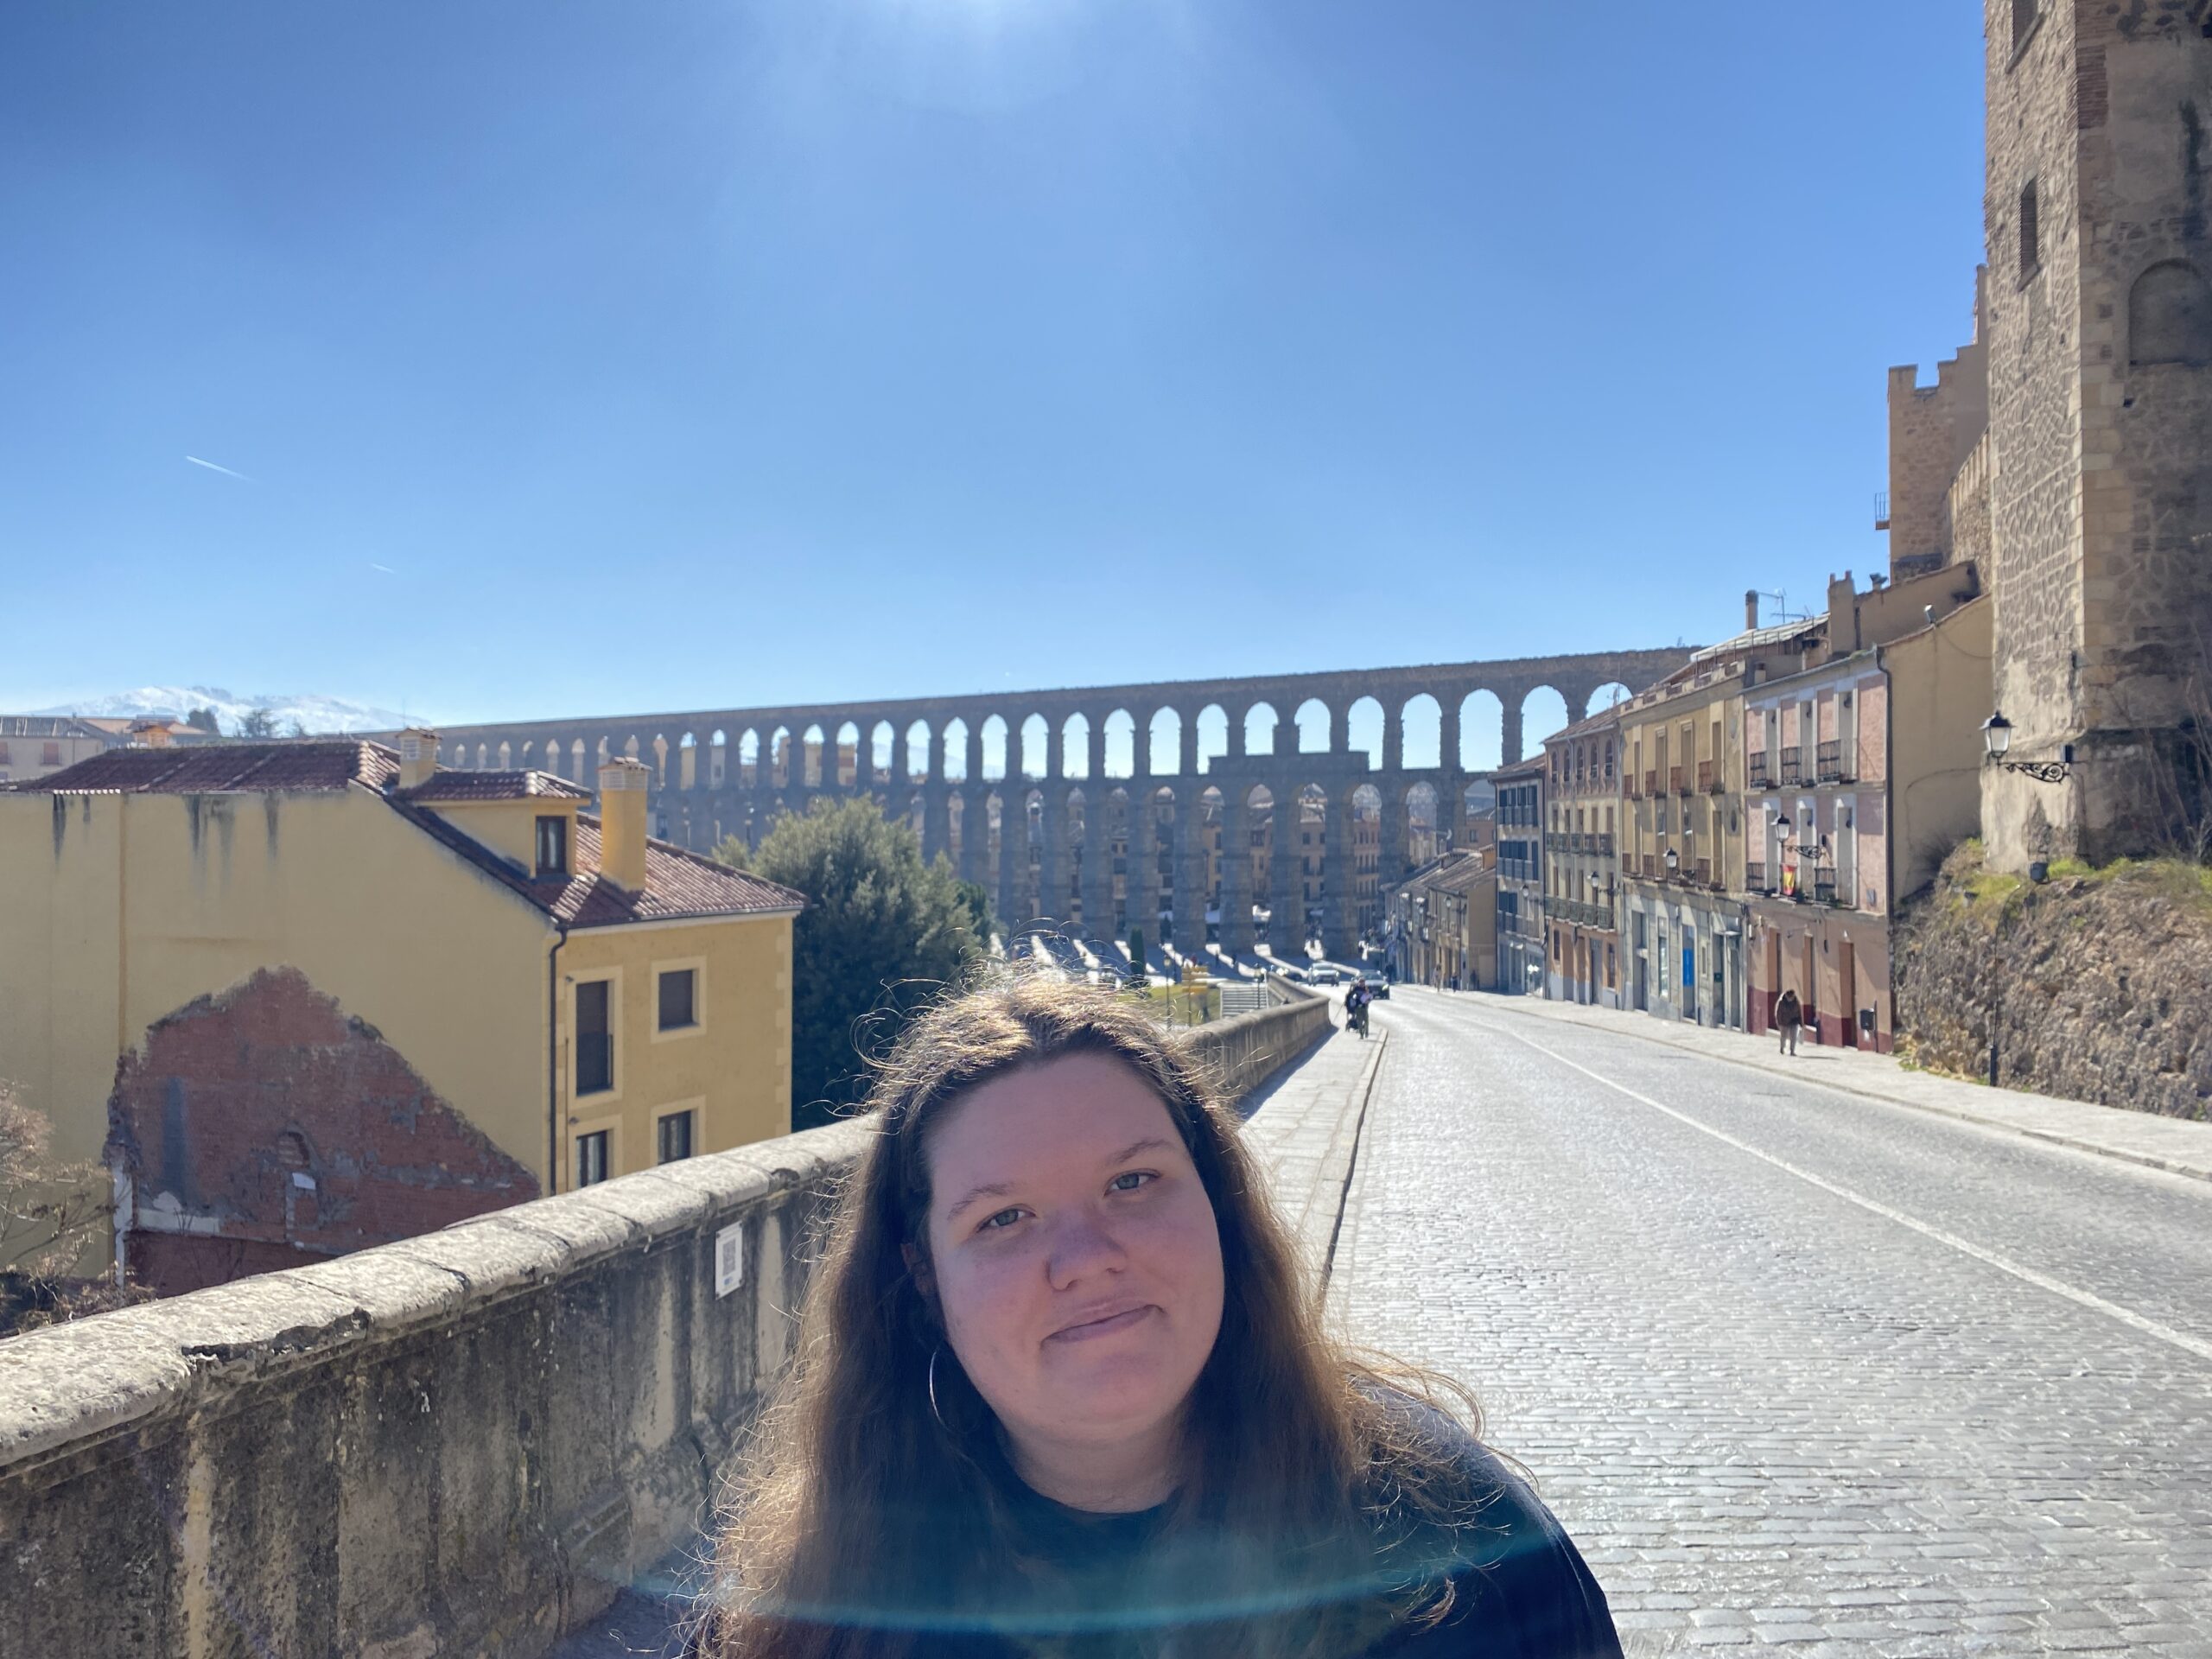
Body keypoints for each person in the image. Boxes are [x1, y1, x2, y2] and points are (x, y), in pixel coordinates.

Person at [704, 971, 1620, 1659]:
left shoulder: (1471, 1560)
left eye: (1132, 1182)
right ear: (922, 1279)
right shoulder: (810, 1617)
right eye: (1004, 1218)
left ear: (1217, 1203)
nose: (1088, 1258)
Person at [1774, 988, 1802, 1056]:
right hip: (1784, 1022)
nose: (1791, 998)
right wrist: (1779, 1022)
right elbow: (1778, 1013)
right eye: (1789, 997)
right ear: (1786, 996)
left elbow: (1799, 1012)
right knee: (1783, 1036)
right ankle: (1782, 1048)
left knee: (1794, 1037)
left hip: (1794, 1021)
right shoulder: (1781, 1002)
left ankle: (1792, 1050)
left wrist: (1801, 1022)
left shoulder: (1796, 1001)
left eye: (1792, 997)